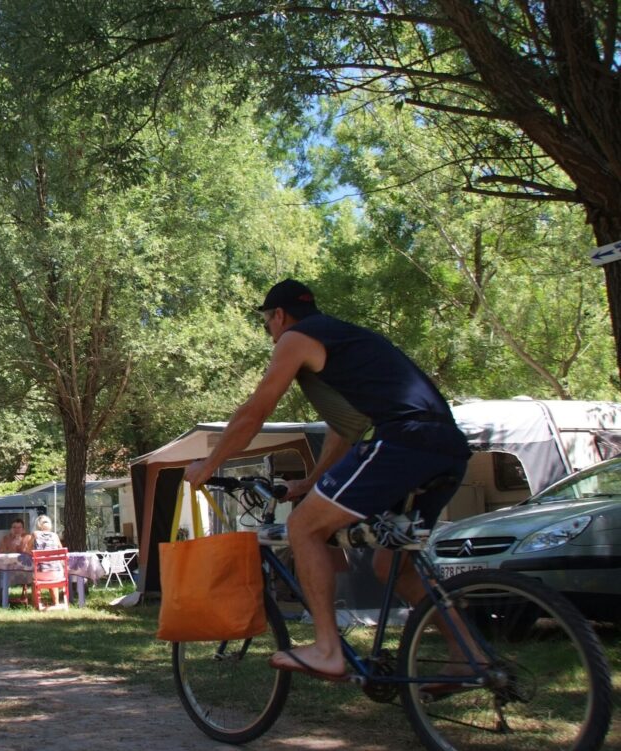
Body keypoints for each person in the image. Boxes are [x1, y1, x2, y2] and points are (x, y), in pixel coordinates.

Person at [184, 279, 469, 681]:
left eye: (266, 324)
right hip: (448, 447)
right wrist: (308, 484)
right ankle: (469, 656)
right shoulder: (345, 340)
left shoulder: (296, 338)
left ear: (279, 316)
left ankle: (327, 649)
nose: (270, 334)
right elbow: (346, 428)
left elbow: (255, 411)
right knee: (392, 564)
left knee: (303, 528)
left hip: (403, 441)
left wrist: (208, 465)